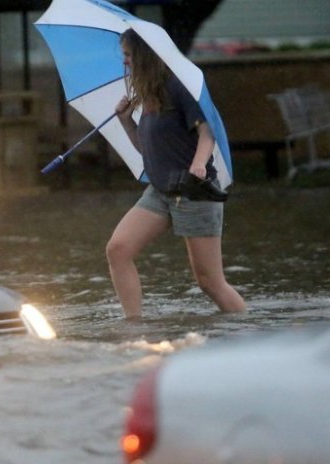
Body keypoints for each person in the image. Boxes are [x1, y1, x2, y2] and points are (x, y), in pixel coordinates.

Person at [107, 29, 246, 319]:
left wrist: (199, 163)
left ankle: (248, 330)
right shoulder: (148, 97)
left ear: (145, 55)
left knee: (209, 282)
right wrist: (126, 122)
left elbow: (207, 131)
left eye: (128, 55)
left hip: (193, 189)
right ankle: (134, 326)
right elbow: (148, 150)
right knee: (118, 250)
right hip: (160, 190)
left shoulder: (179, 87)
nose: (125, 62)